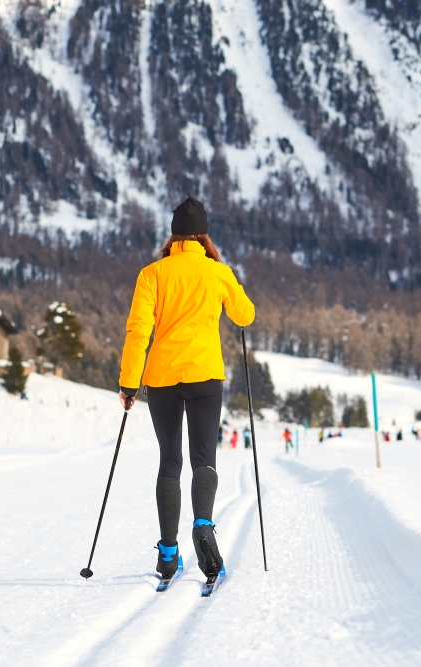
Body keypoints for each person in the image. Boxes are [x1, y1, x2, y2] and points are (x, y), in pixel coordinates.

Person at [117, 195, 255, 588]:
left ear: (173, 234)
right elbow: (245, 315)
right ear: (204, 235)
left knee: (170, 462)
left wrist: (129, 382)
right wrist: (228, 283)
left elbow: (138, 330)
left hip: (161, 379)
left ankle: (167, 553)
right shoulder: (217, 271)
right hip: (205, 377)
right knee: (203, 459)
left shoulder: (152, 274)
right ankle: (204, 526)